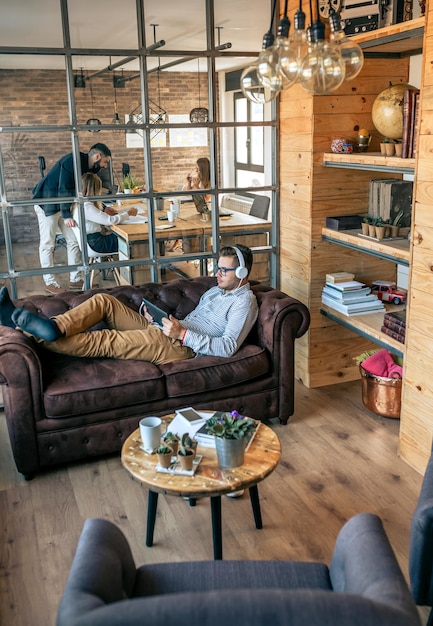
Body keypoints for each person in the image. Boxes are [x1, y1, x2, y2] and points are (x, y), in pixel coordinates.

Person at [0, 245, 258, 366]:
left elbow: (228, 347)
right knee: (104, 301)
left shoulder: (245, 302)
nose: (218, 273)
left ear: (243, 273)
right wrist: (156, 320)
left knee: (106, 340)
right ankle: (54, 328)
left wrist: (182, 334)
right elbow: (194, 321)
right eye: (218, 268)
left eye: (225, 270)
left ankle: (29, 330)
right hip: (169, 331)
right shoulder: (215, 291)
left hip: (182, 347)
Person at [32, 143, 112, 294]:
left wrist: (102, 208)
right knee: (48, 243)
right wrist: (67, 215)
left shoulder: (88, 168)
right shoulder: (72, 161)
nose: (105, 166)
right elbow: (64, 188)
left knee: (74, 240)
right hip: (47, 203)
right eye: (105, 161)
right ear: (97, 156)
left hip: (63, 205)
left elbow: (85, 193)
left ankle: (75, 279)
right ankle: (49, 282)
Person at [72, 173, 137, 254]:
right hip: (97, 244)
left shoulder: (80, 204)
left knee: (120, 235)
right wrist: (128, 213)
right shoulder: (87, 207)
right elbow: (111, 220)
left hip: (92, 242)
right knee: (132, 239)